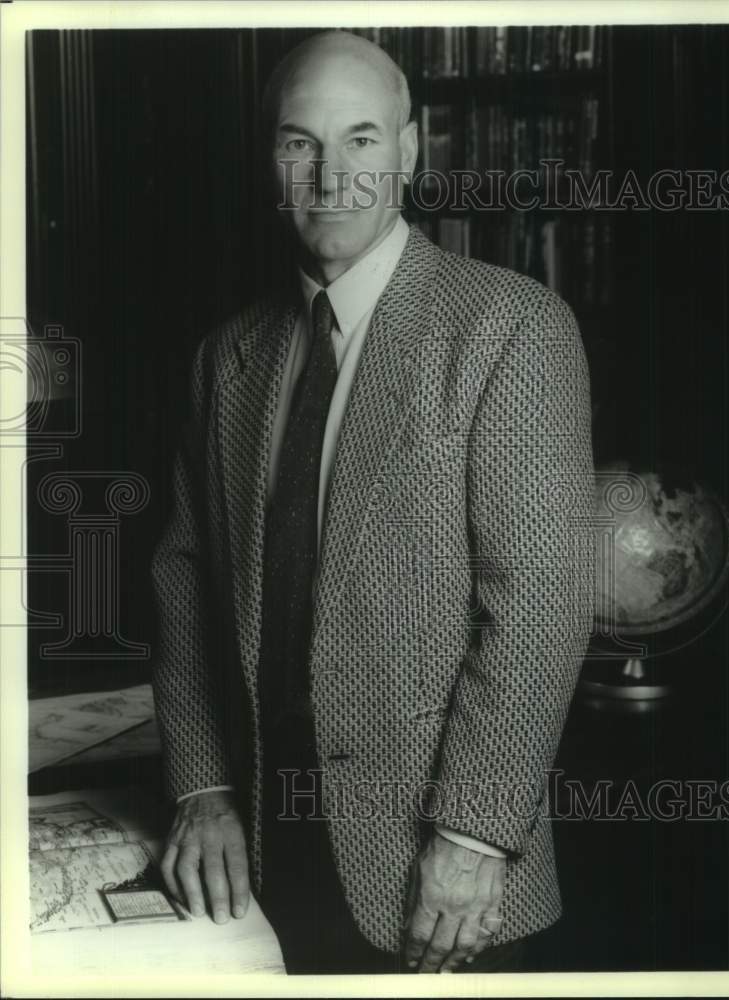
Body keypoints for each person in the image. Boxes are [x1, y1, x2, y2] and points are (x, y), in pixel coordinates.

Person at [151, 29, 595, 975]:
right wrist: (202, 786)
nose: (329, 176)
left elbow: (541, 606)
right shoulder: (222, 357)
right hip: (263, 859)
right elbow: (185, 580)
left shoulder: (511, 329)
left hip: (443, 883)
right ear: (269, 157)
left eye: (360, 139)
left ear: (409, 149)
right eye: (298, 142)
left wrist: (471, 839)